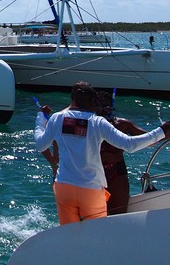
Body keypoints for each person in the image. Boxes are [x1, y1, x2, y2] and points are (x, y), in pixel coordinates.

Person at [35, 80, 170, 225]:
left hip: (63, 187)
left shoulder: (57, 118)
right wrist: (161, 131)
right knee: (97, 233)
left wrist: (40, 119)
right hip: (90, 189)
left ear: (72, 98)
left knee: (69, 233)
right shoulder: (97, 122)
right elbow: (130, 145)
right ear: (93, 101)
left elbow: (41, 145)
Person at [97, 90, 146, 215]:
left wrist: (165, 132)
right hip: (94, 173)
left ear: (111, 108)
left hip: (116, 173)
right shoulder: (88, 124)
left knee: (118, 214)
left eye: (106, 107)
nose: (102, 111)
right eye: (98, 107)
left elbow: (148, 138)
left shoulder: (121, 125)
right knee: (93, 216)